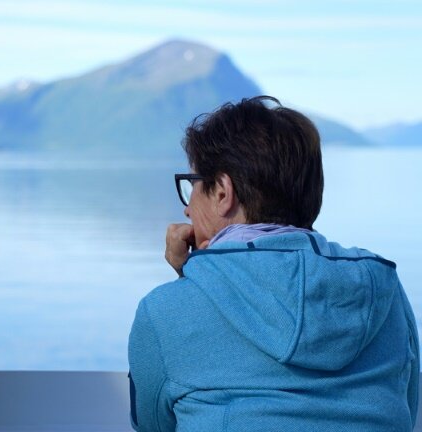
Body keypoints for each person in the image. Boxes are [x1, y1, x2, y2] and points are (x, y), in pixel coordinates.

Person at [128, 96, 419, 431]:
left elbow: (154, 425)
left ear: (222, 192)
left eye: (192, 185)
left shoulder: (165, 311)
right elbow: (406, 408)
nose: (187, 209)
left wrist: (190, 278)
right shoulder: (381, 289)